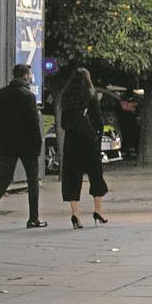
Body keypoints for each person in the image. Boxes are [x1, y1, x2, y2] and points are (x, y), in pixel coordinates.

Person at [0, 64, 46, 231]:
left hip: (6, 144)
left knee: (3, 181)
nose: (31, 77)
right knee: (33, 180)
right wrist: (37, 144)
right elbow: (33, 123)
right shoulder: (27, 96)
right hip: (27, 146)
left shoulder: (0, 95)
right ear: (25, 76)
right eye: (30, 74)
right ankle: (33, 218)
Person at [60, 68, 109, 229]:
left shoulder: (66, 99)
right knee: (96, 175)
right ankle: (98, 210)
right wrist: (96, 136)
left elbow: (63, 123)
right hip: (89, 142)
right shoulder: (91, 95)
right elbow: (98, 119)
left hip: (72, 142)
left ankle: (75, 214)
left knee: (72, 177)